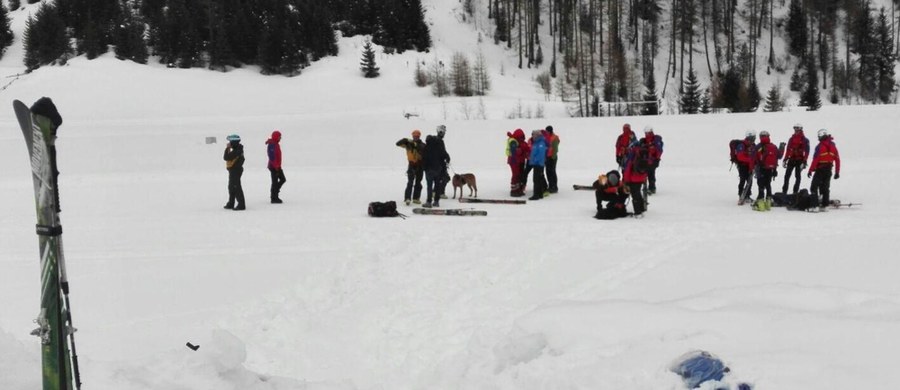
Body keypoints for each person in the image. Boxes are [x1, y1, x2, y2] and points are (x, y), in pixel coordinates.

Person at [808, 128, 841, 209]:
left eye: (819, 136)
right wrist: (837, 172)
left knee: (814, 187)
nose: (818, 138)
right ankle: (825, 205)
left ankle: (814, 205)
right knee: (825, 187)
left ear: (822, 136)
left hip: (820, 170)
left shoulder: (819, 147)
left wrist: (810, 170)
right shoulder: (833, 146)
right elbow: (837, 159)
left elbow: (815, 159)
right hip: (829, 170)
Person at [396, 130, 425, 205]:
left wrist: (415, 145)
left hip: (420, 165)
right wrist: (405, 140)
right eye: (414, 136)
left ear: (419, 136)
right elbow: (397, 144)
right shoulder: (408, 144)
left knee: (418, 183)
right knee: (410, 182)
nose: (415, 137)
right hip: (411, 165)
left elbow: (422, 150)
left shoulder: (422, 145)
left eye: (417, 136)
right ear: (412, 136)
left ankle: (416, 198)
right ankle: (407, 198)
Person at [622, 140, 649, 216]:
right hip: (641, 177)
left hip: (633, 178)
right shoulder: (643, 153)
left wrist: (626, 180)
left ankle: (638, 213)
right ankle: (641, 208)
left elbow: (628, 168)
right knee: (638, 192)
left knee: (635, 195)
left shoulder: (632, 153)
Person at [422, 134, 450, 208]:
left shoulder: (426, 148)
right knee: (437, 186)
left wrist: (424, 168)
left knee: (429, 186)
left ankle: (429, 202)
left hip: (429, 170)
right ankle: (436, 202)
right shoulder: (439, 148)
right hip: (438, 169)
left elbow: (424, 159)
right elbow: (446, 156)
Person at [754, 130, 779, 209]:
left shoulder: (758, 146)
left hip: (761, 169)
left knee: (761, 185)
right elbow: (779, 156)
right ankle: (768, 204)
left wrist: (752, 168)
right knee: (768, 184)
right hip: (770, 169)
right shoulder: (773, 146)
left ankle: (761, 205)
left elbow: (754, 158)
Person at [782, 123, 810, 194]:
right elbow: (788, 149)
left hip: (799, 160)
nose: (796, 130)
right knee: (787, 176)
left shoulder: (805, 140)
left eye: (798, 129)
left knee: (797, 176)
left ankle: (795, 191)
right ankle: (784, 191)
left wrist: (804, 161)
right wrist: (785, 159)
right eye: (795, 129)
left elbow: (807, 152)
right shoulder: (791, 139)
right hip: (791, 159)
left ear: (801, 130)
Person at [223, 134, 246, 210]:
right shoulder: (237, 149)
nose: (229, 143)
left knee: (236, 187)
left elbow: (226, 157)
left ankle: (241, 204)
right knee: (231, 187)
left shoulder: (237, 151)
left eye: (230, 142)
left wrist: (227, 148)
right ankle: (231, 203)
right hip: (233, 171)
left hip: (236, 171)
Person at [734, 131, 757, 202]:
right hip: (742, 166)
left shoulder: (753, 145)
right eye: (752, 138)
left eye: (754, 138)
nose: (753, 140)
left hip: (750, 166)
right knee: (742, 180)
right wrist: (750, 160)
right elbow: (739, 157)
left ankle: (747, 195)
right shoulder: (741, 145)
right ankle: (741, 194)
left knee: (750, 180)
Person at [506, 128, 529, 197]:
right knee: (515, 175)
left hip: (516, 160)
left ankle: (518, 189)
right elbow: (515, 152)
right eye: (521, 137)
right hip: (514, 161)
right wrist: (522, 151)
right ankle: (514, 191)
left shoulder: (516, 141)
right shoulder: (513, 141)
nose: (522, 138)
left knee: (518, 175)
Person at [641, 125, 664, 194]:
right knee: (645, 174)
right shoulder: (644, 140)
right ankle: (647, 187)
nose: (647, 134)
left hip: (653, 160)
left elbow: (659, 150)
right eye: (646, 132)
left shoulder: (656, 140)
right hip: (646, 160)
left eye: (648, 132)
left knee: (650, 174)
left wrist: (656, 158)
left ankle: (652, 188)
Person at [266, 130, 286, 204]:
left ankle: (274, 194)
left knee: (282, 179)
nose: (280, 138)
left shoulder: (276, 144)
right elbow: (271, 157)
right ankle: (274, 198)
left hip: (277, 166)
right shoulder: (272, 144)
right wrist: (276, 166)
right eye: (279, 137)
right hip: (273, 166)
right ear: (276, 137)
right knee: (275, 182)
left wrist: (278, 166)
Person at [527, 130, 548, 200]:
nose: (532, 136)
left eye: (533, 135)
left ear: (537, 136)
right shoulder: (536, 143)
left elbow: (541, 155)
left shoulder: (541, 143)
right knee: (538, 179)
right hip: (536, 164)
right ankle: (539, 194)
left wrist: (535, 161)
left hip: (538, 164)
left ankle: (536, 195)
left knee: (536, 180)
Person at [434, 125, 452, 199]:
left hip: (438, 162)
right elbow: (442, 152)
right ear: (440, 132)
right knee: (445, 177)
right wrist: (447, 157)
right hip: (440, 163)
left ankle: (435, 191)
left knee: (440, 178)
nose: (444, 133)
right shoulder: (439, 140)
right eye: (443, 132)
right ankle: (440, 192)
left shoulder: (438, 140)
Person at [544, 125, 560, 193]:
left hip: (552, 158)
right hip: (547, 157)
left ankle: (554, 187)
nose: (546, 132)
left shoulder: (554, 138)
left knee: (552, 172)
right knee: (548, 172)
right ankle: (550, 186)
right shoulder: (546, 137)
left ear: (550, 131)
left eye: (547, 131)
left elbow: (555, 149)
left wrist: (553, 158)